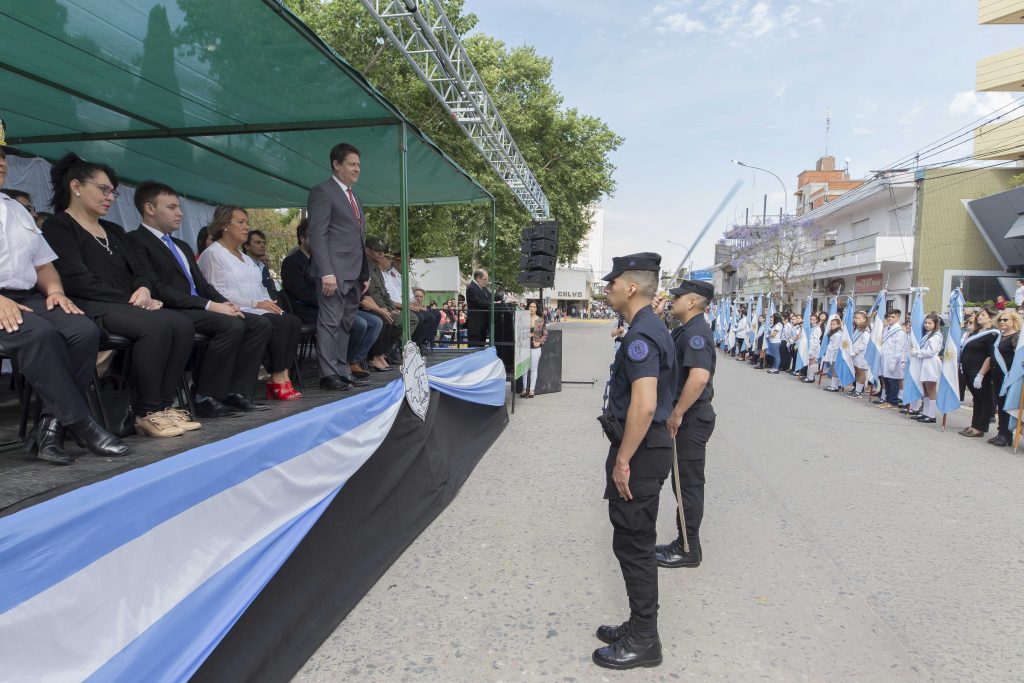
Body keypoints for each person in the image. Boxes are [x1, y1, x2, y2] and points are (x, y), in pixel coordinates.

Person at [42, 153, 199, 438]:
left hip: (127, 304)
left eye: (112, 192)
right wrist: (131, 300)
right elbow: (77, 279)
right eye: (103, 190)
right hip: (90, 305)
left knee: (182, 323)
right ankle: (145, 412)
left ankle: (163, 407)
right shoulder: (58, 226)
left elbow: (139, 270)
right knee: (157, 326)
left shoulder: (113, 230)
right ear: (76, 187)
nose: (110, 197)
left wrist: (143, 289)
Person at [0, 135, 127, 463]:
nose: (2, 162)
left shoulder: (16, 209)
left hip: (28, 296)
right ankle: (83, 424)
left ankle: (50, 428)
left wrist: (55, 291)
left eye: (3, 156)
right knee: (39, 335)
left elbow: (43, 264)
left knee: (83, 330)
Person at [592, 252, 676, 670]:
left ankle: (645, 640)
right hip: (645, 447)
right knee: (631, 540)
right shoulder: (646, 327)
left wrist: (623, 459)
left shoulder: (642, 334)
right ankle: (639, 624)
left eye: (612, 282)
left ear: (630, 287)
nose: (606, 288)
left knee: (634, 544)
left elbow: (644, 404)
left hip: (639, 451)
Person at [126, 181, 273, 416]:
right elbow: (156, 287)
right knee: (230, 325)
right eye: (172, 207)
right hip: (173, 309)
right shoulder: (135, 241)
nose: (180, 213)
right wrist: (209, 305)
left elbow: (202, 285)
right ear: (149, 209)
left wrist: (225, 303)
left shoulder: (181, 245)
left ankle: (236, 392)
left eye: (179, 207)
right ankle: (205, 395)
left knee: (258, 324)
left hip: (198, 308)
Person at [198, 206, 304, 400]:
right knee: (277, 324)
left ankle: (281, 374)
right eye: (241, 222)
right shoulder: (213, 254)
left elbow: (259, 287)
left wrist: (269, 302)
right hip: (230, 308)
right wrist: (256, 303)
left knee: (292, 321)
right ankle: (278, 377)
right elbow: (217, 292)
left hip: (254, 306)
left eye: (247, 222)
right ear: (224, 226)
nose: (246, 227)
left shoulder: (245, 258)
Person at [655, 279, 715, 571]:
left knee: (687, 485)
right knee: (684, 485)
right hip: (689, 416)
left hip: (690, 419)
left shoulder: (696, 334)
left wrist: (677, 413)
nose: (672, 300)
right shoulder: (687, 329)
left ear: (692, 302)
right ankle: (684, 542)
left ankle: (689, 548)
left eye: (677, 297)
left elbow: (699, 377)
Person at [306, 142, 370, 391]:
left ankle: (342, 369)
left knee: (345, 323)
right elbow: (318, 235)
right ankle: (328, 374)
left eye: (358, 165)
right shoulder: (322, 192)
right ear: (336, 164)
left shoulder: (356, 197)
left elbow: (358, 239)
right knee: (330, 322)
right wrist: (326, 272)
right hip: (333, 272)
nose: (357, 169)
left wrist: (364, 273)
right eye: (352, 164)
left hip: (355, 272)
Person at [282, 219, 380, 379]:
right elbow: (300, 293)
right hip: (308, 309)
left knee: (371, 322)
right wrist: (330, 302)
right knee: (358, 324)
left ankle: (346, 363)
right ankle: (335, 368)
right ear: (302, 238)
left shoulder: (323, 261)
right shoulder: (291, 262)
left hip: (332, 306)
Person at [362, 237, 408, 369]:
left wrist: (392, 308)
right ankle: (374, 356)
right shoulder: (365, 267)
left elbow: (385, 293)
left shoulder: (376, 269)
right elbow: (372, 294)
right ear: (367, 250)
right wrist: (384, 309)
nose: (381, 253)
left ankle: (381, 353)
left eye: (383, 251)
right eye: (377, 250)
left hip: (378, 306)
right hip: (369, 306)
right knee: (386, 319)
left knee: (400, 320)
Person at [957, 306, 998, 436]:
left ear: (991, 318)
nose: (979, 317)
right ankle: (974, 424)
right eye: (979, 314)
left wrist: (981, 374)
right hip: (969, 370)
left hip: (980, 371)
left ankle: (980, 428)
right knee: (977, 399)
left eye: (983, 315)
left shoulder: (993, 333)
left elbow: (990, 356)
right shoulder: (977, 332)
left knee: (984, 399)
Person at [989, 310, 1020, 447]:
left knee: (1007, 405)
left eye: (1006, 320)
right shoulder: (999, 336)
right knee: (1000, 404)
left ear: (1014, 321)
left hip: (1009, 376)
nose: (1002, 322)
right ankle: (1001, 432)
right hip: (997, 375)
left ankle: (1007, 435)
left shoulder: (1017, 337)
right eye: (1001, 319)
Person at [908, 313, 943, 424]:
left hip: (931, 363)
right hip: (924, 363)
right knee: (926, 390)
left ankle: (932, 415)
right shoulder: (928, 335)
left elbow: (931, 352)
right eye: (926, 322)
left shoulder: (936, 336)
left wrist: (917, 353)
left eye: (930, 323)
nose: (927, 325)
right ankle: (925, 412)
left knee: (931, 389)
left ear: (935, 324)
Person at [873, 309, 908, 407]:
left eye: (893, 317)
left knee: (893, 381)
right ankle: (887, 399)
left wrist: (894, 361)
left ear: (898, 318)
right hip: (885, 358)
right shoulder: (886, 328)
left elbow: (899, 348)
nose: (890, 318)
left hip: (893, 360)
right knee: (886, 380)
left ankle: (892, 401)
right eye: (889, 316)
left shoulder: (899, 331)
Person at [466, 268, 501, 347]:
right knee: (475, 346)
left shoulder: (483, 288)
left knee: (482, 345)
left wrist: (502, 297)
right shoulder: (471, 288)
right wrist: (493, 304)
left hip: (483, 323)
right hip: (475, 323)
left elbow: (491, 297)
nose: (486, 282)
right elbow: (479, 302)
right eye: (485, 279)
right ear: (478, 278)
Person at [521, 300, 547, 398]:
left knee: (533, 369)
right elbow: (519, 332)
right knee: (524, 369)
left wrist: (539, 342)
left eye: (533, 307)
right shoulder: (523, 319)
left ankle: (531, 389)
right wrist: (528, 335)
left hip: (535, 348)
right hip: (524, 347)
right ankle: (524, 389)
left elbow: (545, 334)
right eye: (530, 306)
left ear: (536, 309)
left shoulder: (540, 320)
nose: (531, 308)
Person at [244, 229, 279, 297]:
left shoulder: (263, 266)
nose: (263, 245)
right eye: (258, 243)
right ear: (247, 246)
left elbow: (271, 290)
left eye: (264, 243)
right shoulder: (241, 265)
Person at [845, 310, 871, 398]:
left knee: (861, 372)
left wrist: (855, 352)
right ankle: (856, 388)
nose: (857, 320)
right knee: (857, 372)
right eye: (855, 318)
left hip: (861, 355)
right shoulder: (857, 329)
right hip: (855, 354)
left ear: (864, 319)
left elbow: (864, 344)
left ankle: (859, 391)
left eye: (859, 318)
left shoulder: (865, 331)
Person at [822, 316, 844, 392]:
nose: (832, 326)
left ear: (839, 325)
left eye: (834, 324)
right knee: (834, 369)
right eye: (831, 324)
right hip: (832, 352)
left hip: (835, 353)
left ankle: (834, 386)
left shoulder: (838, 334)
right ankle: (836, 385)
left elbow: (835, 346)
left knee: (835, 370)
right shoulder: (835, 333)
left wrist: (828, 349)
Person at [803, 312, 824, 383]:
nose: (811, 321)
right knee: (810, 362)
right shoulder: (811, 327)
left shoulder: (817, 328)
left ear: (817, 320)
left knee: (813, 362)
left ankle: (811, 378)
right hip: (810, 346)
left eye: (813, 319)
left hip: (814, 347)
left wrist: (812, 350)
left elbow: (816, 340)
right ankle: (809, 376)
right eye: (810, 319)